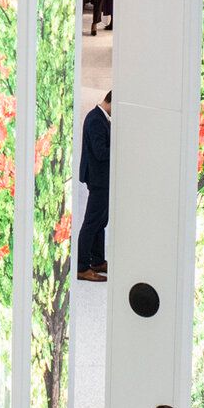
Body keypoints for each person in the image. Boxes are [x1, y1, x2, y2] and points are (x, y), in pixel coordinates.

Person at [76, 91, 111, 281]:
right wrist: (119, 148)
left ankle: (97, 260)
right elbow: (100, 152)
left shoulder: (99, 117)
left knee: (100, 221)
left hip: (101, 178)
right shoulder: (96, 120)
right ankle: (82, 266)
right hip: (98, 180)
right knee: (91, 223)